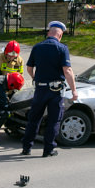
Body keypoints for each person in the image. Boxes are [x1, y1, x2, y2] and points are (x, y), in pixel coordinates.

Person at [20, 21, 78, 157]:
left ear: (48, 33)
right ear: (60, 35)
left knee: (34, 119)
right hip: (55, 91)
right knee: (53, 120)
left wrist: (35, 78)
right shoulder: (62, 48)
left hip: (40, 89)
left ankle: (26, 147)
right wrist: (74, 90)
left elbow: (29, 68)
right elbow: (67, 70)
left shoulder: (37, 47)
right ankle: (48, 149)